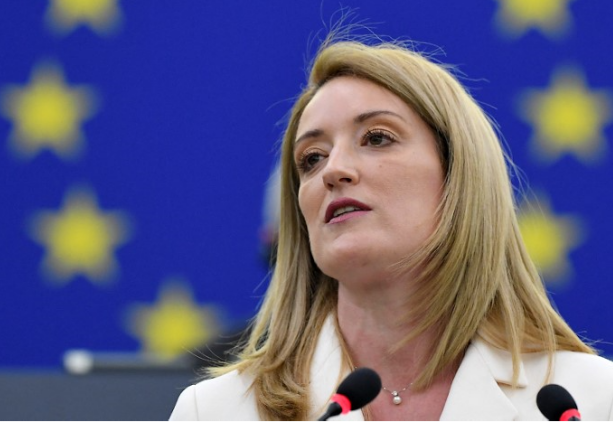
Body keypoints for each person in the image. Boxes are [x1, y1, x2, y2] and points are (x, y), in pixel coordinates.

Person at [169, 36, 613, 421]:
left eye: (377, 138)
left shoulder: (592, 401)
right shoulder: (216, 411)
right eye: (312, 158)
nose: (333, 170)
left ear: (460, 175)